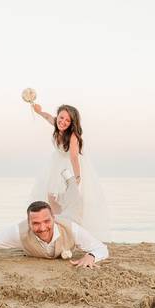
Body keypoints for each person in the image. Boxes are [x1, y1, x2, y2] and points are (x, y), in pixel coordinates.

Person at [30, 101, 111, 241]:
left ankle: (68, 231)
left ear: (72, 123)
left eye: (67, 120)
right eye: (61, 118)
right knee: (51, 196)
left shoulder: (73, 136)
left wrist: (77, 177)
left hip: (69, 169)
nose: (63, 122)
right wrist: (38, 111)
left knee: (66, 199)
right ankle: (57, 227)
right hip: (57, 165)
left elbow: (74, 157)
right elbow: (48, 117)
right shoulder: (56, 122)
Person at [0, 201, 108, 269]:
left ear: (54, 219)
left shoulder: (71, 228)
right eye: (35, 223)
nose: (42, 227)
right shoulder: (19, 232)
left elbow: (101, 248)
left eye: (46, 221)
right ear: (29, 223)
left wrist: (92, 256)